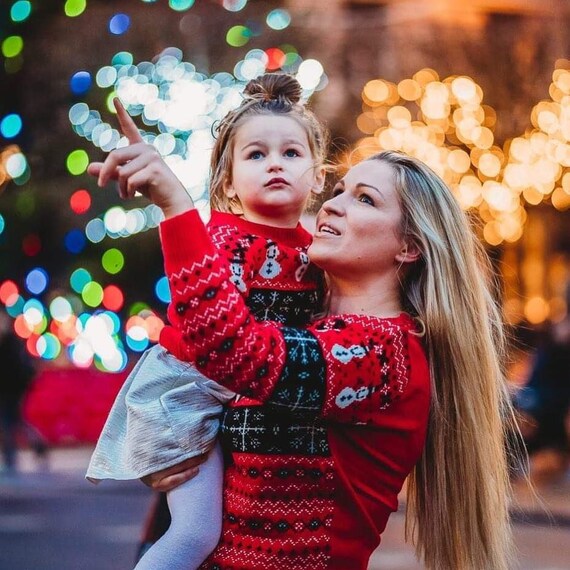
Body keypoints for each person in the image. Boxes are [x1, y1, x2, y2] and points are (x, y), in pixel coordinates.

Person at [92, 97, 518, 568]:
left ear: (409, 246)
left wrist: (176, 207)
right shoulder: (305, 322)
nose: (333, 206)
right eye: (338, 190)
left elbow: (236, 353)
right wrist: (176, 453)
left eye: (364, 199)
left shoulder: (383, 354)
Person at [86, 73, 328, 570]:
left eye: (291, 153)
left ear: (319, 175)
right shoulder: (219, 241)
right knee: (195, 534)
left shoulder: (320, 253)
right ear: (227, 180)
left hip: (236, 402)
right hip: (186, 394)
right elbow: (206, 333)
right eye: (255, 155)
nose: (275, 164)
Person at [0, 309, 47, 474]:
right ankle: (38, 444)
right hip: (10, 390)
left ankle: (11, 459)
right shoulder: (10, 343)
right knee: (15, 422)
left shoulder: (9, 344)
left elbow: (12, 370)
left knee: (9, 423)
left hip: (11, 390)